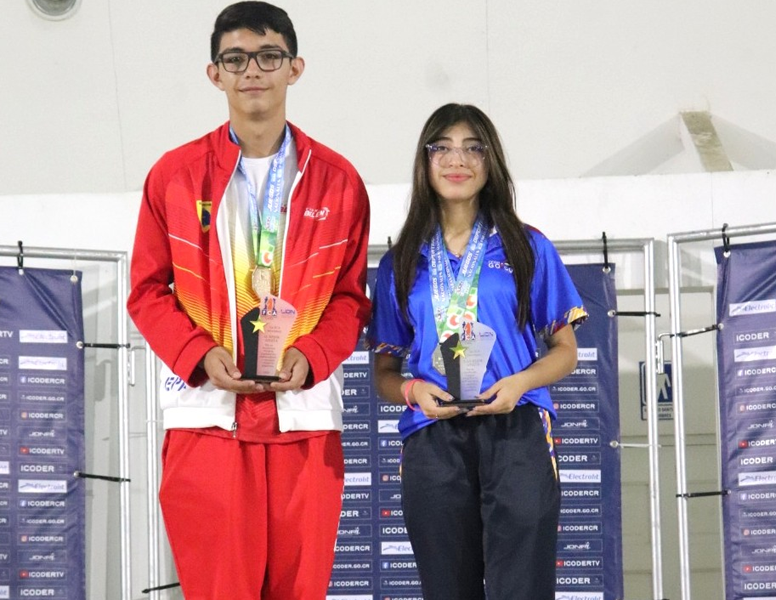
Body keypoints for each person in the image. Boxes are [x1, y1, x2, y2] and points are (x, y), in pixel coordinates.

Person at [126, 2, 370, 598]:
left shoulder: (338, 179)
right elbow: (147, 291)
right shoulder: (175, 176)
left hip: (303, 420)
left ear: (295, 67)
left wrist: (312, 353)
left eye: (268, 56)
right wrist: (199, 354)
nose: (252, 70)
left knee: (301, 589)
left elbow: (350, 299)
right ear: (215, 74)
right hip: (207, 415)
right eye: (235, 59)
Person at [367, 103, 587, 600]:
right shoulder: (403, 259)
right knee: (447, 589)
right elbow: (382, 370)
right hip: (433, 436)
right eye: (441, 148)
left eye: (472, 147)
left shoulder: (526, 246)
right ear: (425, 163)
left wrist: (521, 383)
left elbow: (565, 350)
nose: (456, 160)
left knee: (523, 587)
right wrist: (412, 389)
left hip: (516, 428)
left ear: (491, 163)